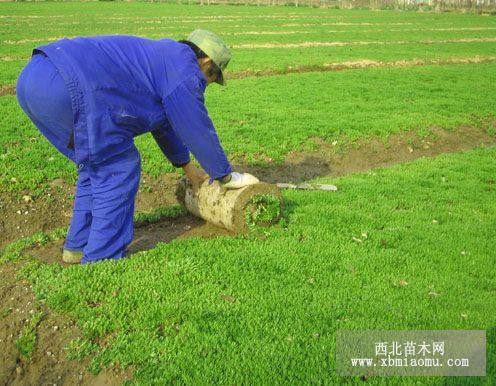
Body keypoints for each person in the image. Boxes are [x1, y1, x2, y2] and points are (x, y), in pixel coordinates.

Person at [16, 29, 259, 265]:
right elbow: (196, 126)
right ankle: (102, 260)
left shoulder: (164, 58)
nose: (205, 84)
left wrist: (186, 166)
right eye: (210, 76)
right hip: (68, 86)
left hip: (35, 77)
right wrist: (225, 176)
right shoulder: (185, 69)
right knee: (118, 166)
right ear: (205, 61)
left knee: (97, 164)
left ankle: (77, 248)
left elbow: (163, 123)